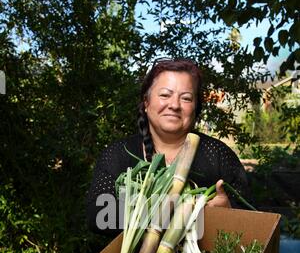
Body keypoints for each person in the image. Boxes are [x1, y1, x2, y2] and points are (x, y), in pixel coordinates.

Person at [86, 59, 249, 234]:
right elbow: (99, 216)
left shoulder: (217, 154)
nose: (174, 105)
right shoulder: (118, 154)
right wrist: (186, 213)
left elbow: (253, 218)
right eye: (165, 95)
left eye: (186, 98)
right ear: (146, 103)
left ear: (196, 109)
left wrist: (229, 212)